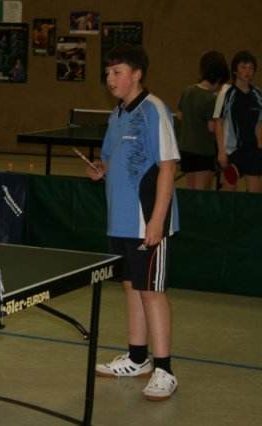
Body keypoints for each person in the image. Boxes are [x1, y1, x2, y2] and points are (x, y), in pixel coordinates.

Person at [85, 43, 180, 401]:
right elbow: (111, 159)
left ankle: (164, 369)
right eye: (108, 73)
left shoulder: (154, 110)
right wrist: (101, 169)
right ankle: (138, 358)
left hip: (146, 220)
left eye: (117, 72)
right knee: (131, 287)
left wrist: (157, 221)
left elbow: (168, 167)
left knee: (152, 291)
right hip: (120, 221)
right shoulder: (117, 114)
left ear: (137, 74)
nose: (110, 78)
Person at [176, 51, 230, 190]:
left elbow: (180, 115)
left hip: (186, 149)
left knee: (191, 188)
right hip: (203, 151)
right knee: (201, 190)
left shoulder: (188, 90)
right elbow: (212, 127)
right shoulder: (211, 99)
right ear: (218, 80)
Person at [214, 50, 262, 192]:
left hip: (252, 150)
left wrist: (260, 146)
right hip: (232, 150)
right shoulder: (227, 93)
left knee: (255, 192)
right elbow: (218, 122)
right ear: (235, 70)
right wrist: (221, 151)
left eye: (251, 68)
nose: (247, 71)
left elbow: (260, 123)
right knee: (229, 190)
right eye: (243, 67)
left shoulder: (258, 94)